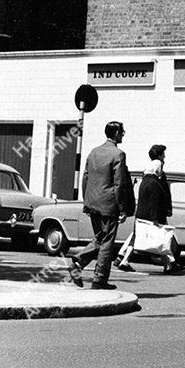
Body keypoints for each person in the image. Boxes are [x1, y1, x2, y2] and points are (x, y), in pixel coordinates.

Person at [68, 120, 135, 289]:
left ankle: (77, 264)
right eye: (122, 132)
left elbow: (85, 178)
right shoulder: (118, 154)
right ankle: (99, 280)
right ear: (116, 134)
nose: (123, 135)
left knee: (99, 237)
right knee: (107, 242)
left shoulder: (93, 152)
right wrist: (122, 209)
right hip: (108, 204)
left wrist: (87, 201)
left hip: (93, 202)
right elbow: (119, 184)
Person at [118, 145, 185, 274]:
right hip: (152, 216)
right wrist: (155, 218)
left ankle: (125, 260)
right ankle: (169, 265)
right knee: (161, 240)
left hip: (142, 214)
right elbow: (154, 202)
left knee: (139, 238)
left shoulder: (145, 181)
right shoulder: (154, 183)